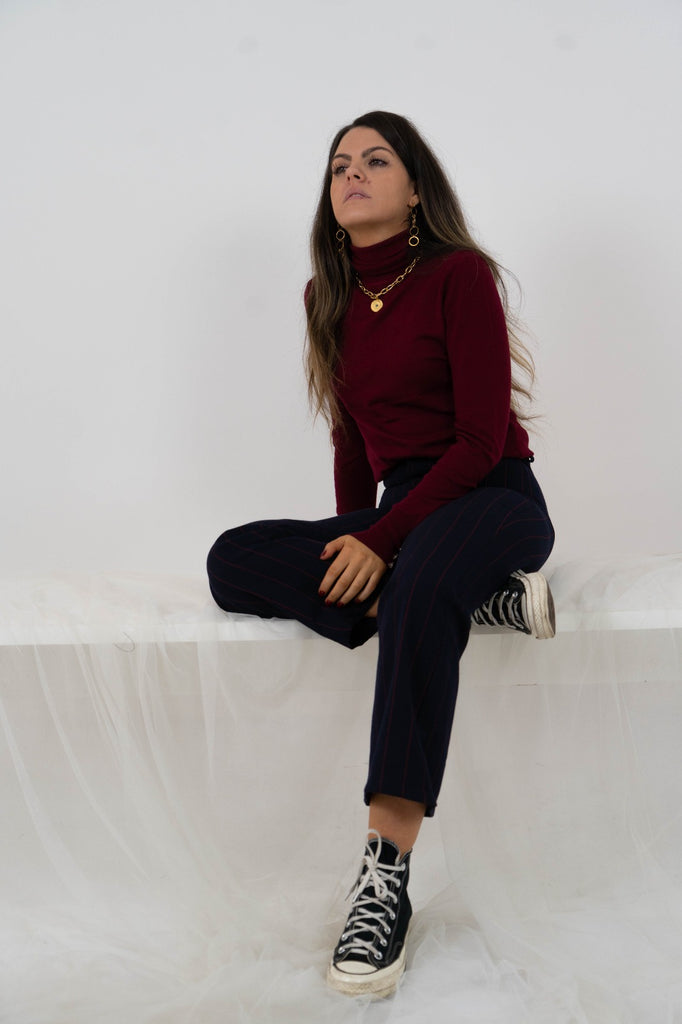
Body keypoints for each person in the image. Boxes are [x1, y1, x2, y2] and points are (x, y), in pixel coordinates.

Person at [206, 111, 556, 999]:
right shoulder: (326, 297)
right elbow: (352, 445)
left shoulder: (458, 275)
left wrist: (380, 543)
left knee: (422, 576)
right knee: (232, 561)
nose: (353, 173)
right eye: (339, 166)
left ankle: (383, 876)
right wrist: (353, 537)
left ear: (414, 188)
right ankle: (482, 597)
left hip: (491, 497)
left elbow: (478, 442)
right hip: (404, 516)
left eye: (375, 160)